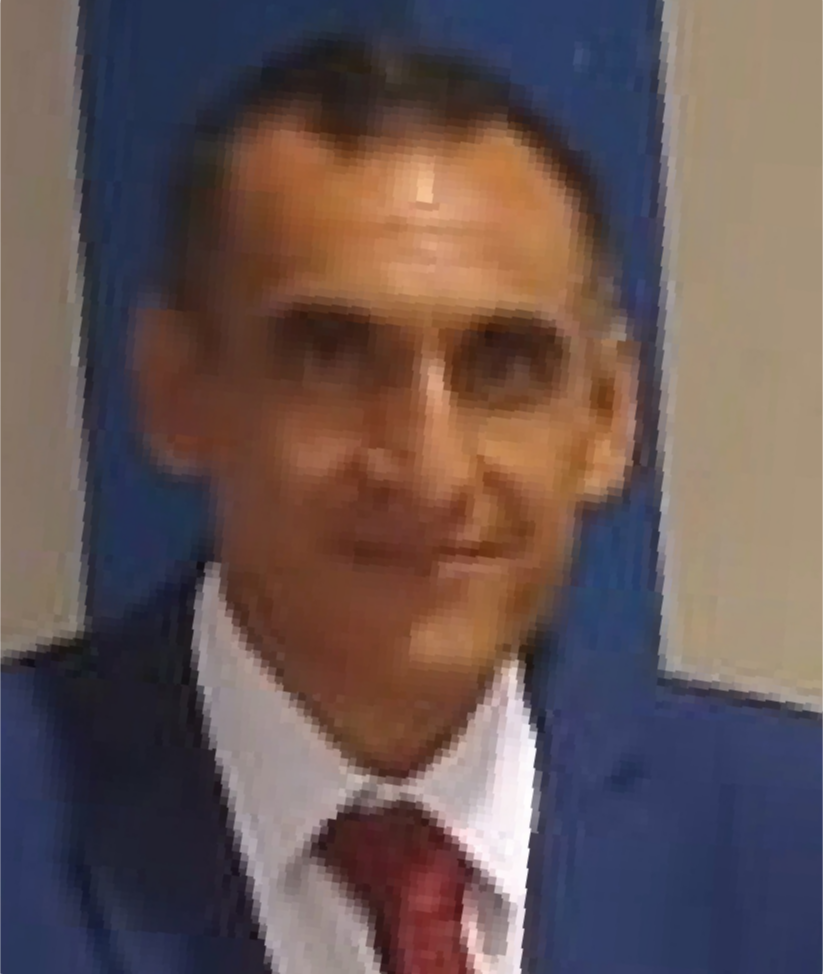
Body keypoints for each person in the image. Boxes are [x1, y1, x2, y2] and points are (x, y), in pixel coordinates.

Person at [2, 31, 823, 974]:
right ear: (175, 389)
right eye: (332, 358)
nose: (431, 470)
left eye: (502, 367)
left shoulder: (790, 847)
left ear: (606, 416)